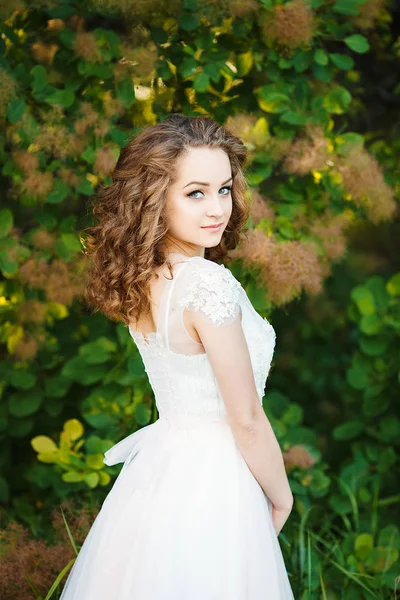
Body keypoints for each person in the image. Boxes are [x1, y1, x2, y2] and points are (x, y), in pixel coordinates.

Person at [60, 114, 295, 599]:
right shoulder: (206, 283)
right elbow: (246, 417)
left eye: (224, 189)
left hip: (162, 470)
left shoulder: (143, 279)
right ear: (155, 198)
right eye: (196, 192)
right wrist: (281, 496)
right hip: (217, 476)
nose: (217, 209)